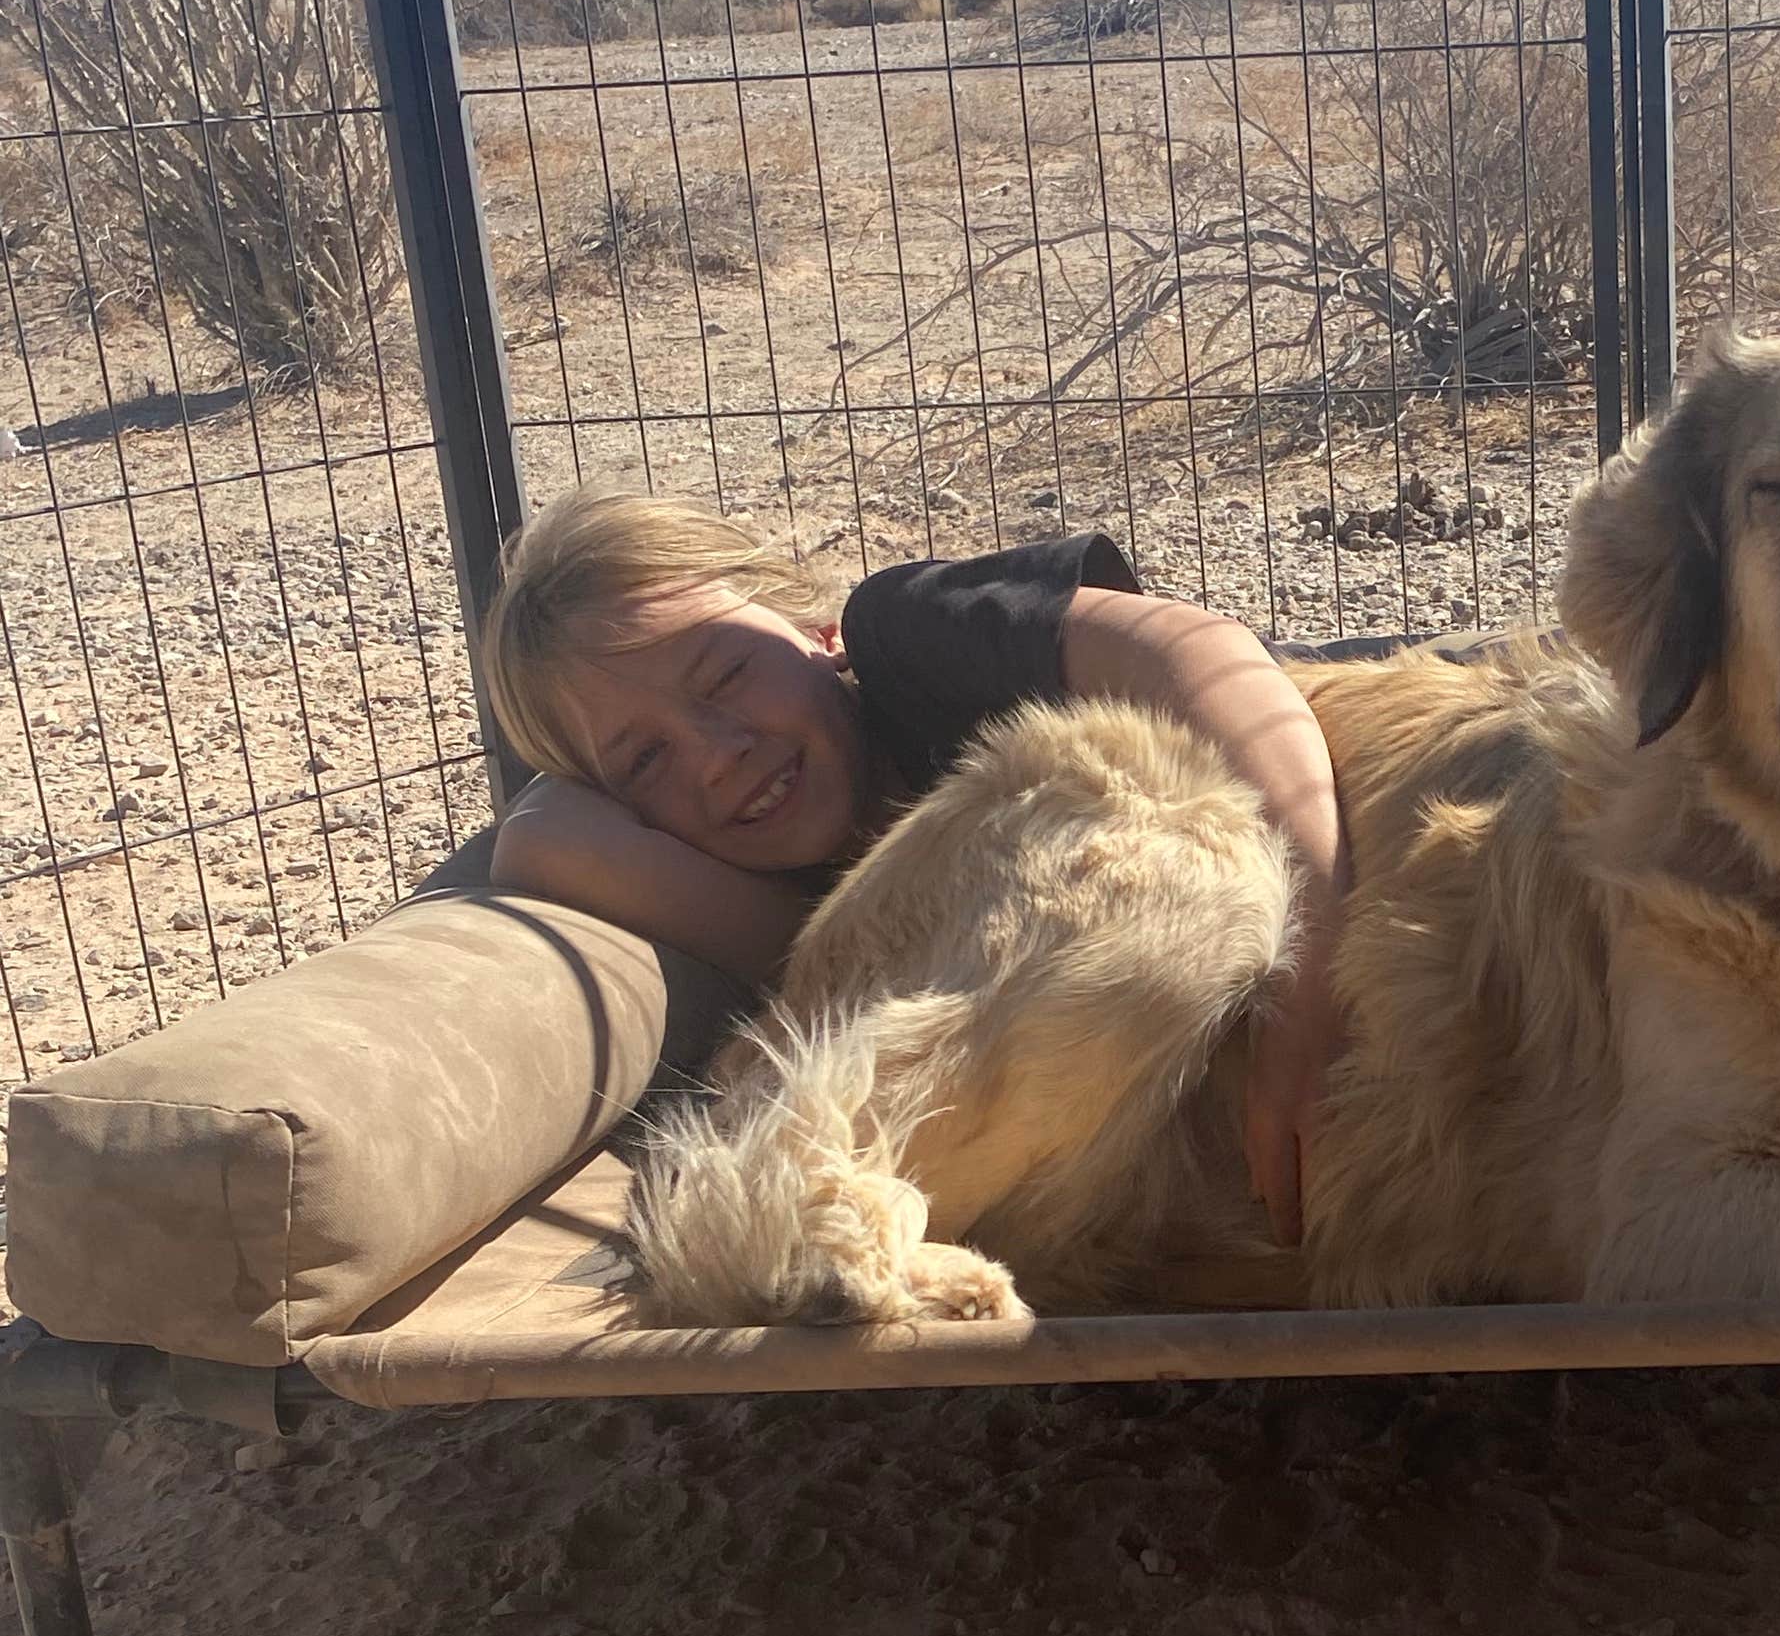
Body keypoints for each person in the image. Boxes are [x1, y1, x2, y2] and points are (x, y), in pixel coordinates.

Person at [482, 492, 1347, 1243]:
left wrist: (1311, 982)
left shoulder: (906, 633)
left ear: (814, 634)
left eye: (727, 675)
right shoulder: (794, 894)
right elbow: (547, 841)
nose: (716, 757)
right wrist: (557, 819)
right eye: (643, 761)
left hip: (1312, 834)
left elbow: (1197, 651)